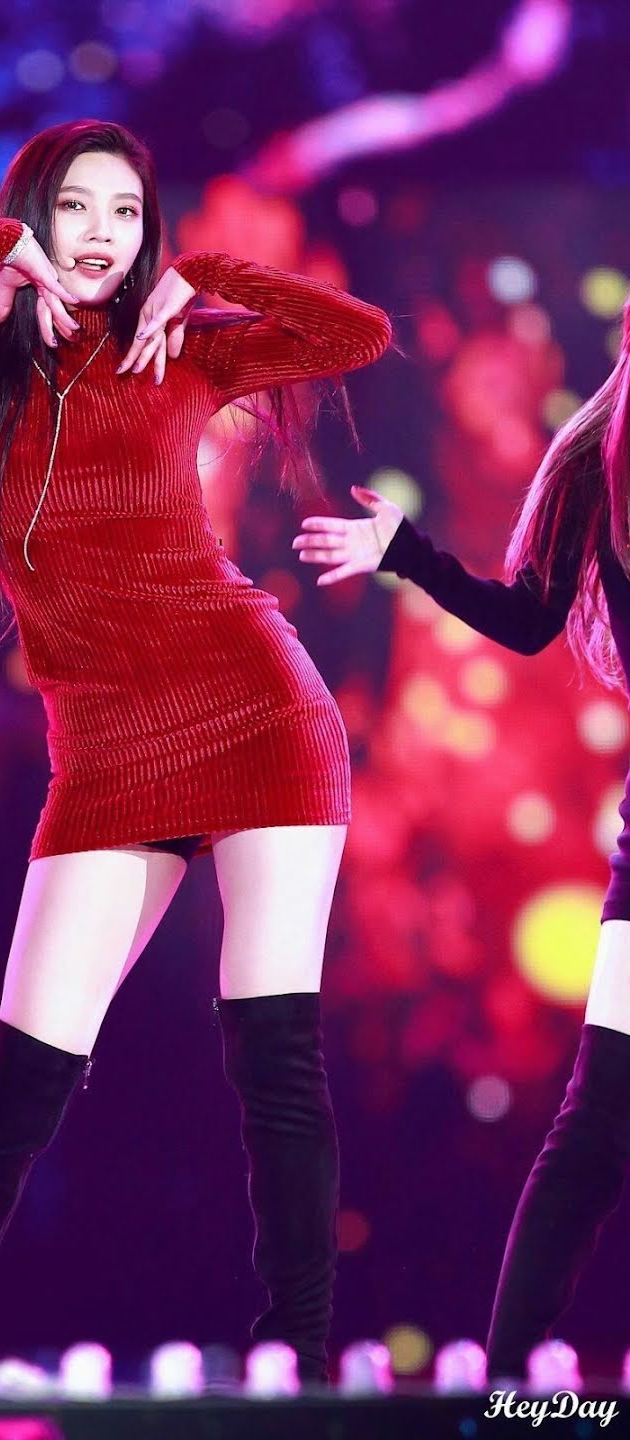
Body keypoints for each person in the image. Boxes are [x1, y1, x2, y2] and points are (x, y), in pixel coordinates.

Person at [0, 118, 391, 1387]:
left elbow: (356, 336)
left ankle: (299, 1364)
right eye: (76, 209)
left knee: (273, 1050)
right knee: (25, 1074)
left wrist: (214, 276)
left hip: (257, 710)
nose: (103, 236)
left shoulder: (177, 345)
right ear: (35, 217)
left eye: (128, 214)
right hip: (103, 750)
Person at [293, 299, 630, 1377]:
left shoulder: (598, 450)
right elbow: (530, 618)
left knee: (594, 1132)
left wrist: (409, 554)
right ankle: (512, 1389)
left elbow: (527, 619)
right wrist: (410, 554)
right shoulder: (603, 454)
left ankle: (510, 1389)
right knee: (595, 1131)